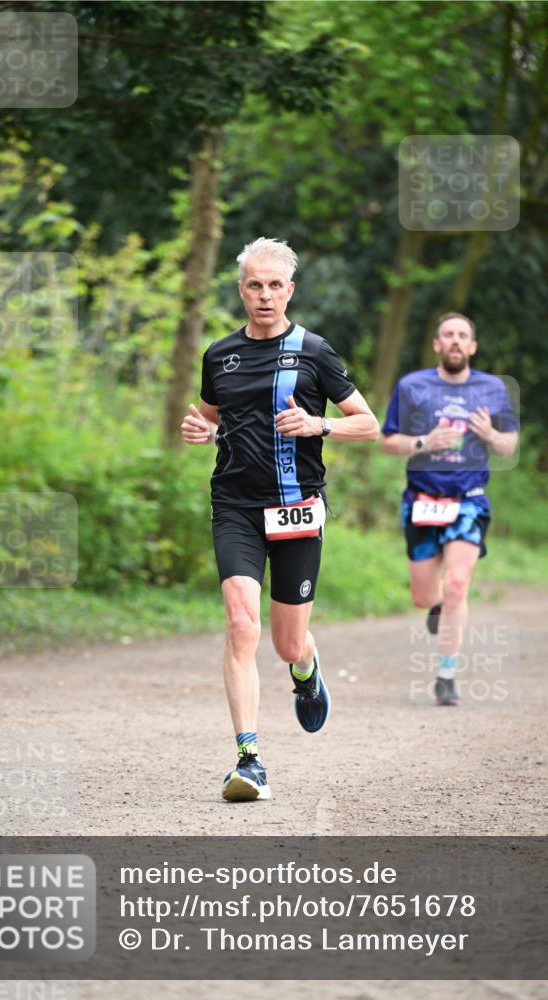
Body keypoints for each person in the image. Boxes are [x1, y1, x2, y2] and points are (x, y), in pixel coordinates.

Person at [182, 237, 379, 802]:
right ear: (240, 289)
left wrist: (320, 427)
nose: (264, 295)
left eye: (274, 285)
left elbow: (368, 424)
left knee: (288, 643)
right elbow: (220, 421)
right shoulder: (220, 355)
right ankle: (248, 759)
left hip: (296, 507)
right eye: (254, 285)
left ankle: (305, 668)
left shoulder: (315, 351)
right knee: (242, 624)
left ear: (289, 290)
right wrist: (205, 433)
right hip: (236, 506)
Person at [381, 312, 519, 706]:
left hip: (469, 499)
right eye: (448, 335)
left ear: (472, 346)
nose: (456, 341)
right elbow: (388, 441)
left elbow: (509, 445)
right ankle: (436, 605)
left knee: (458, 584)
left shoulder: (492, 389)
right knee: (424, 597)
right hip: (422, 500)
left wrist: (490, 434)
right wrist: (425, 442)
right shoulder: (412, 386)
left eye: (463, 335)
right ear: (437, 345)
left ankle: (446, 674)